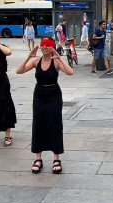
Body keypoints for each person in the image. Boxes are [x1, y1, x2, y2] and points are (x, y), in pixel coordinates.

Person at [16, 38, 73, 174]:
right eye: (42, 46)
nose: (44, 48)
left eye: (47, 46)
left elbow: (70, 72)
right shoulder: (36, 61)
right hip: (39, 94)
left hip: (53, 95)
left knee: (54, 124)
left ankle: (56, 158)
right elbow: (19, 71)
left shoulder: (56, 62)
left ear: (52, 47)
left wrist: (59, 57)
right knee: (38, 124)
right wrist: (28, 56)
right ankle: (38, 158)